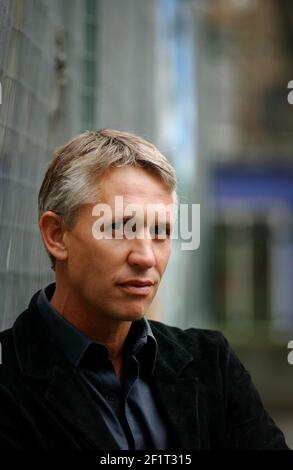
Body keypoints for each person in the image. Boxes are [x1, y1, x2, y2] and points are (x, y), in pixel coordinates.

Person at [0, 129, 289, 450]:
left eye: (161, 232)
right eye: (120, 228)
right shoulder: (8, 381)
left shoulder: (211, 364)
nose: (146, 257)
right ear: (56, 235)